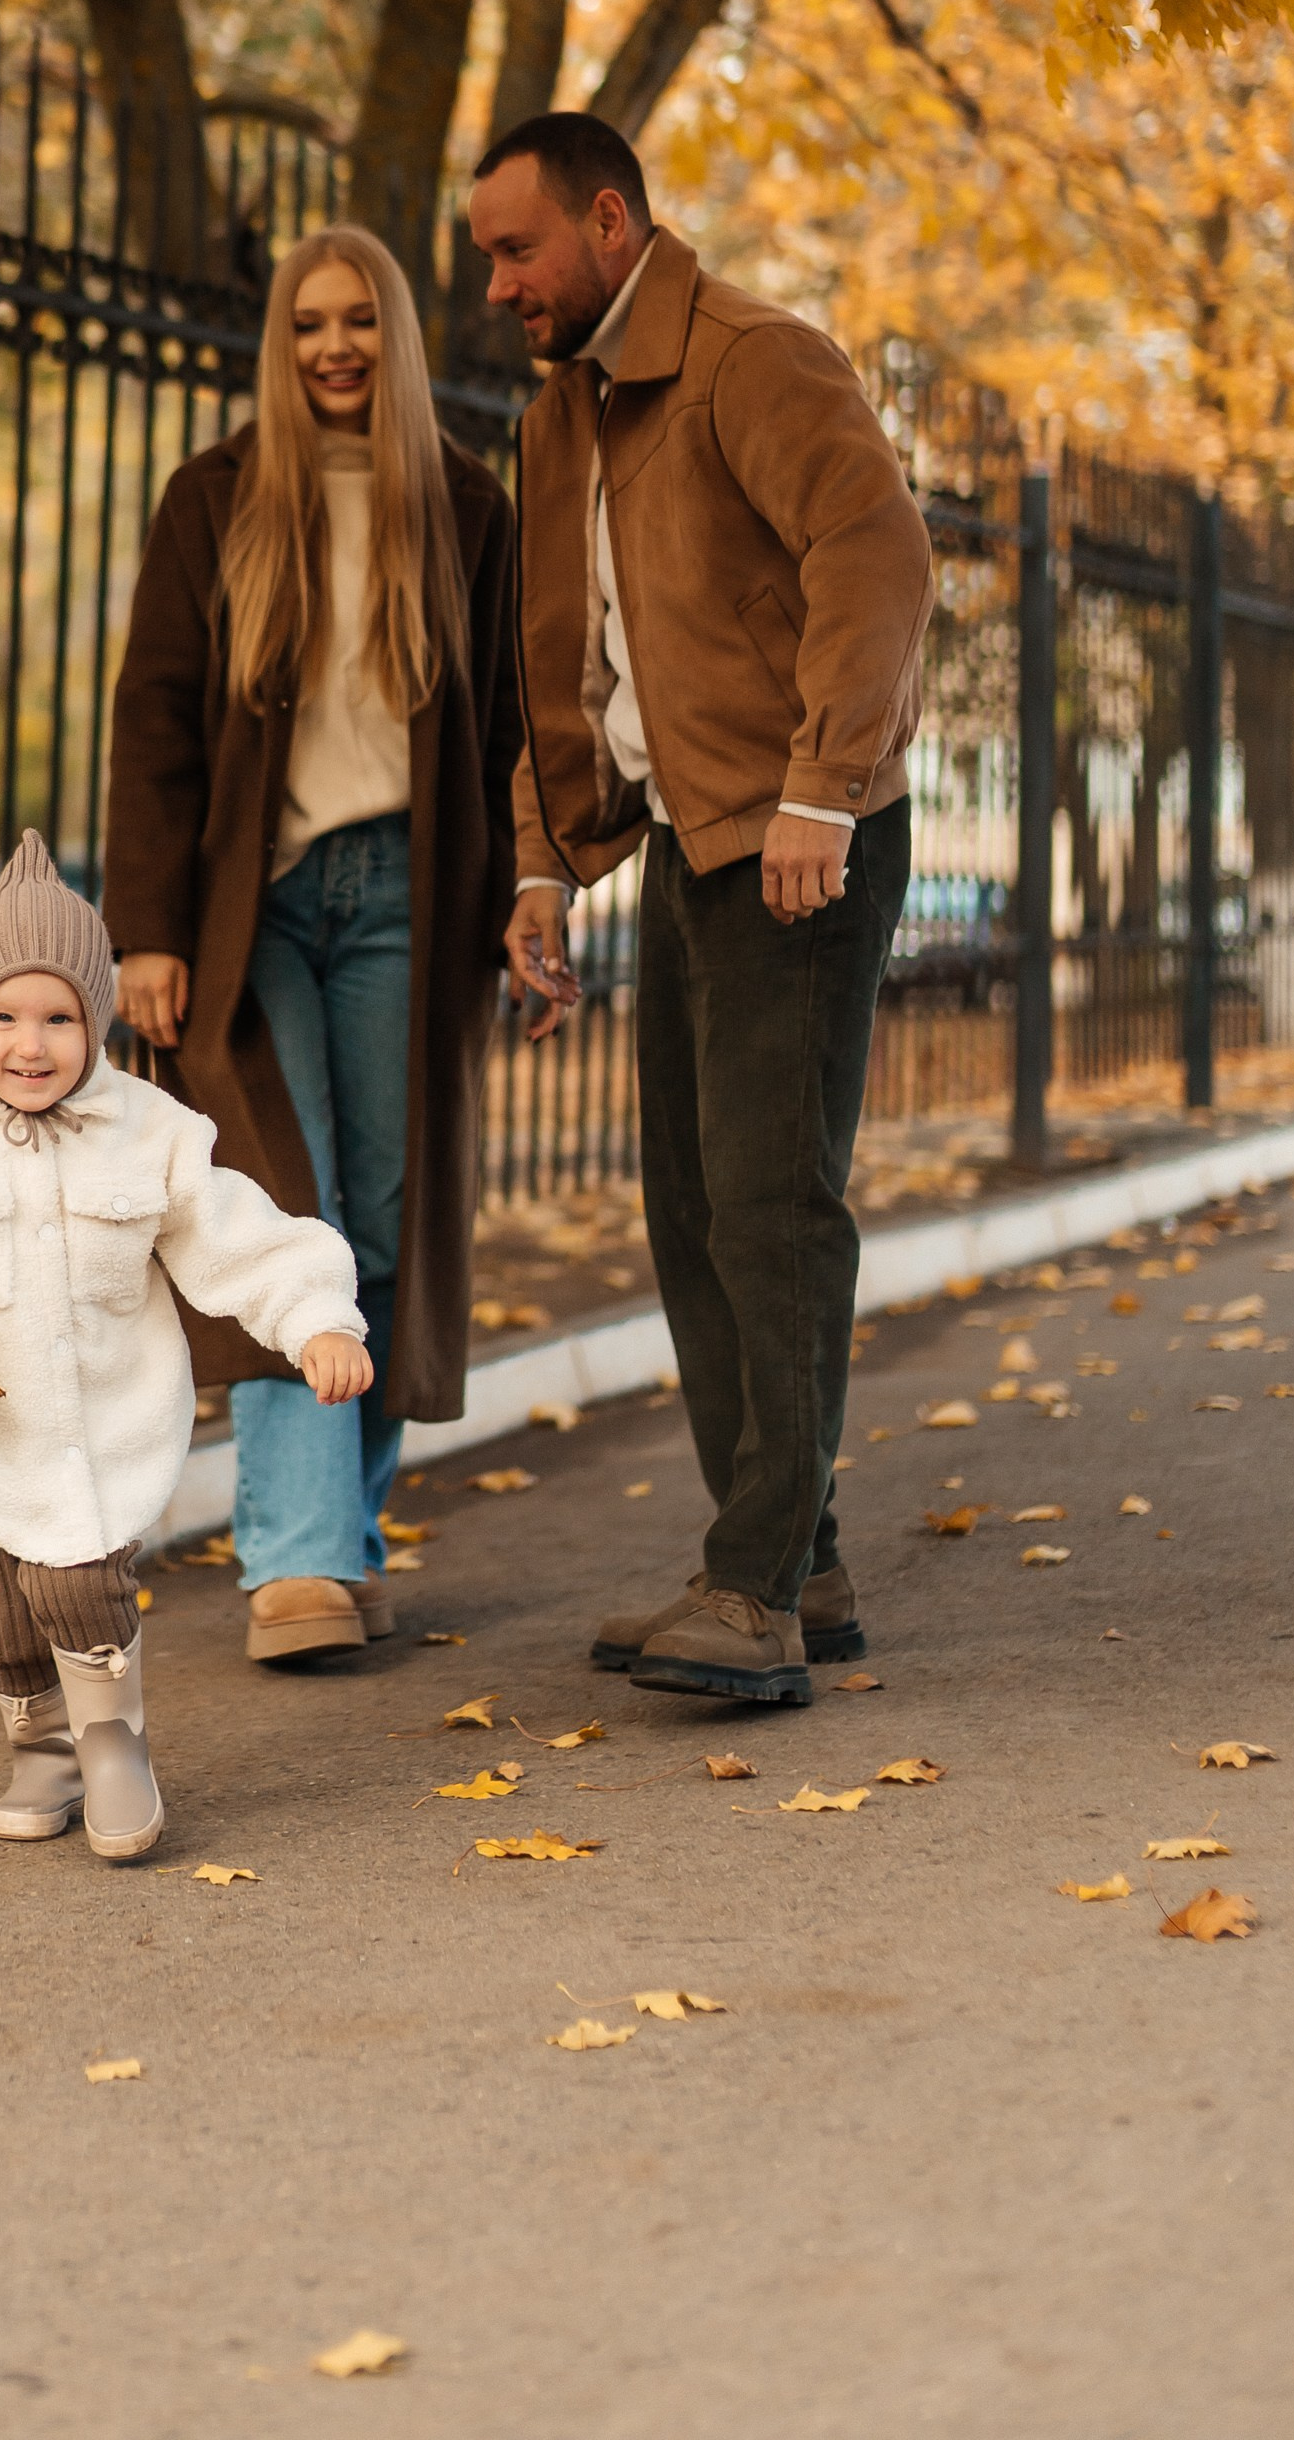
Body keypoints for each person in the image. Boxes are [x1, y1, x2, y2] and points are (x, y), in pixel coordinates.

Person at [469, 114, 934, 1707]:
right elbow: (561, 668)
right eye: (486, 261)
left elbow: (877, 563)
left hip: (803, 840)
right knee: (690, 1211)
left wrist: (825, 785)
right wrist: (543, 859)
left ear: (609, 226)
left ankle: (752, 1588)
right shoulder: (565, 422)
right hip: (684, 841)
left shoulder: (754, 360)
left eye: (517, 251)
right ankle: (798, 1560)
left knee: (770, 1205)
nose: (498, 288)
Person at [104, 225, 523, 1663]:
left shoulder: (465, 507)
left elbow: (518, 733)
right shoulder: (213, 499)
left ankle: (339, 1540)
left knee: (389, 1227)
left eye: (358, 323)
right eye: (306, 326)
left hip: (412, 898)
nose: (333, 347)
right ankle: (293, 1561)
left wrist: (535, 899)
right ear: (280, 347)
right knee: (285, 1215)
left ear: (395, 340)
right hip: (254, 911)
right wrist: (144, 928)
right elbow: (154, 716)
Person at [0, 830, 370, 1861]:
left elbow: (234, 1232)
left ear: (95, 1020)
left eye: (60, 1017)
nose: (31, 1044)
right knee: (0, 1615)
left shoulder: (146, 1128)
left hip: (106, 1418)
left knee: (77, 1583)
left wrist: (315, 1314)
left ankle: (111, 1745)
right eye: (4, 1017)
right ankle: (42, 1749)